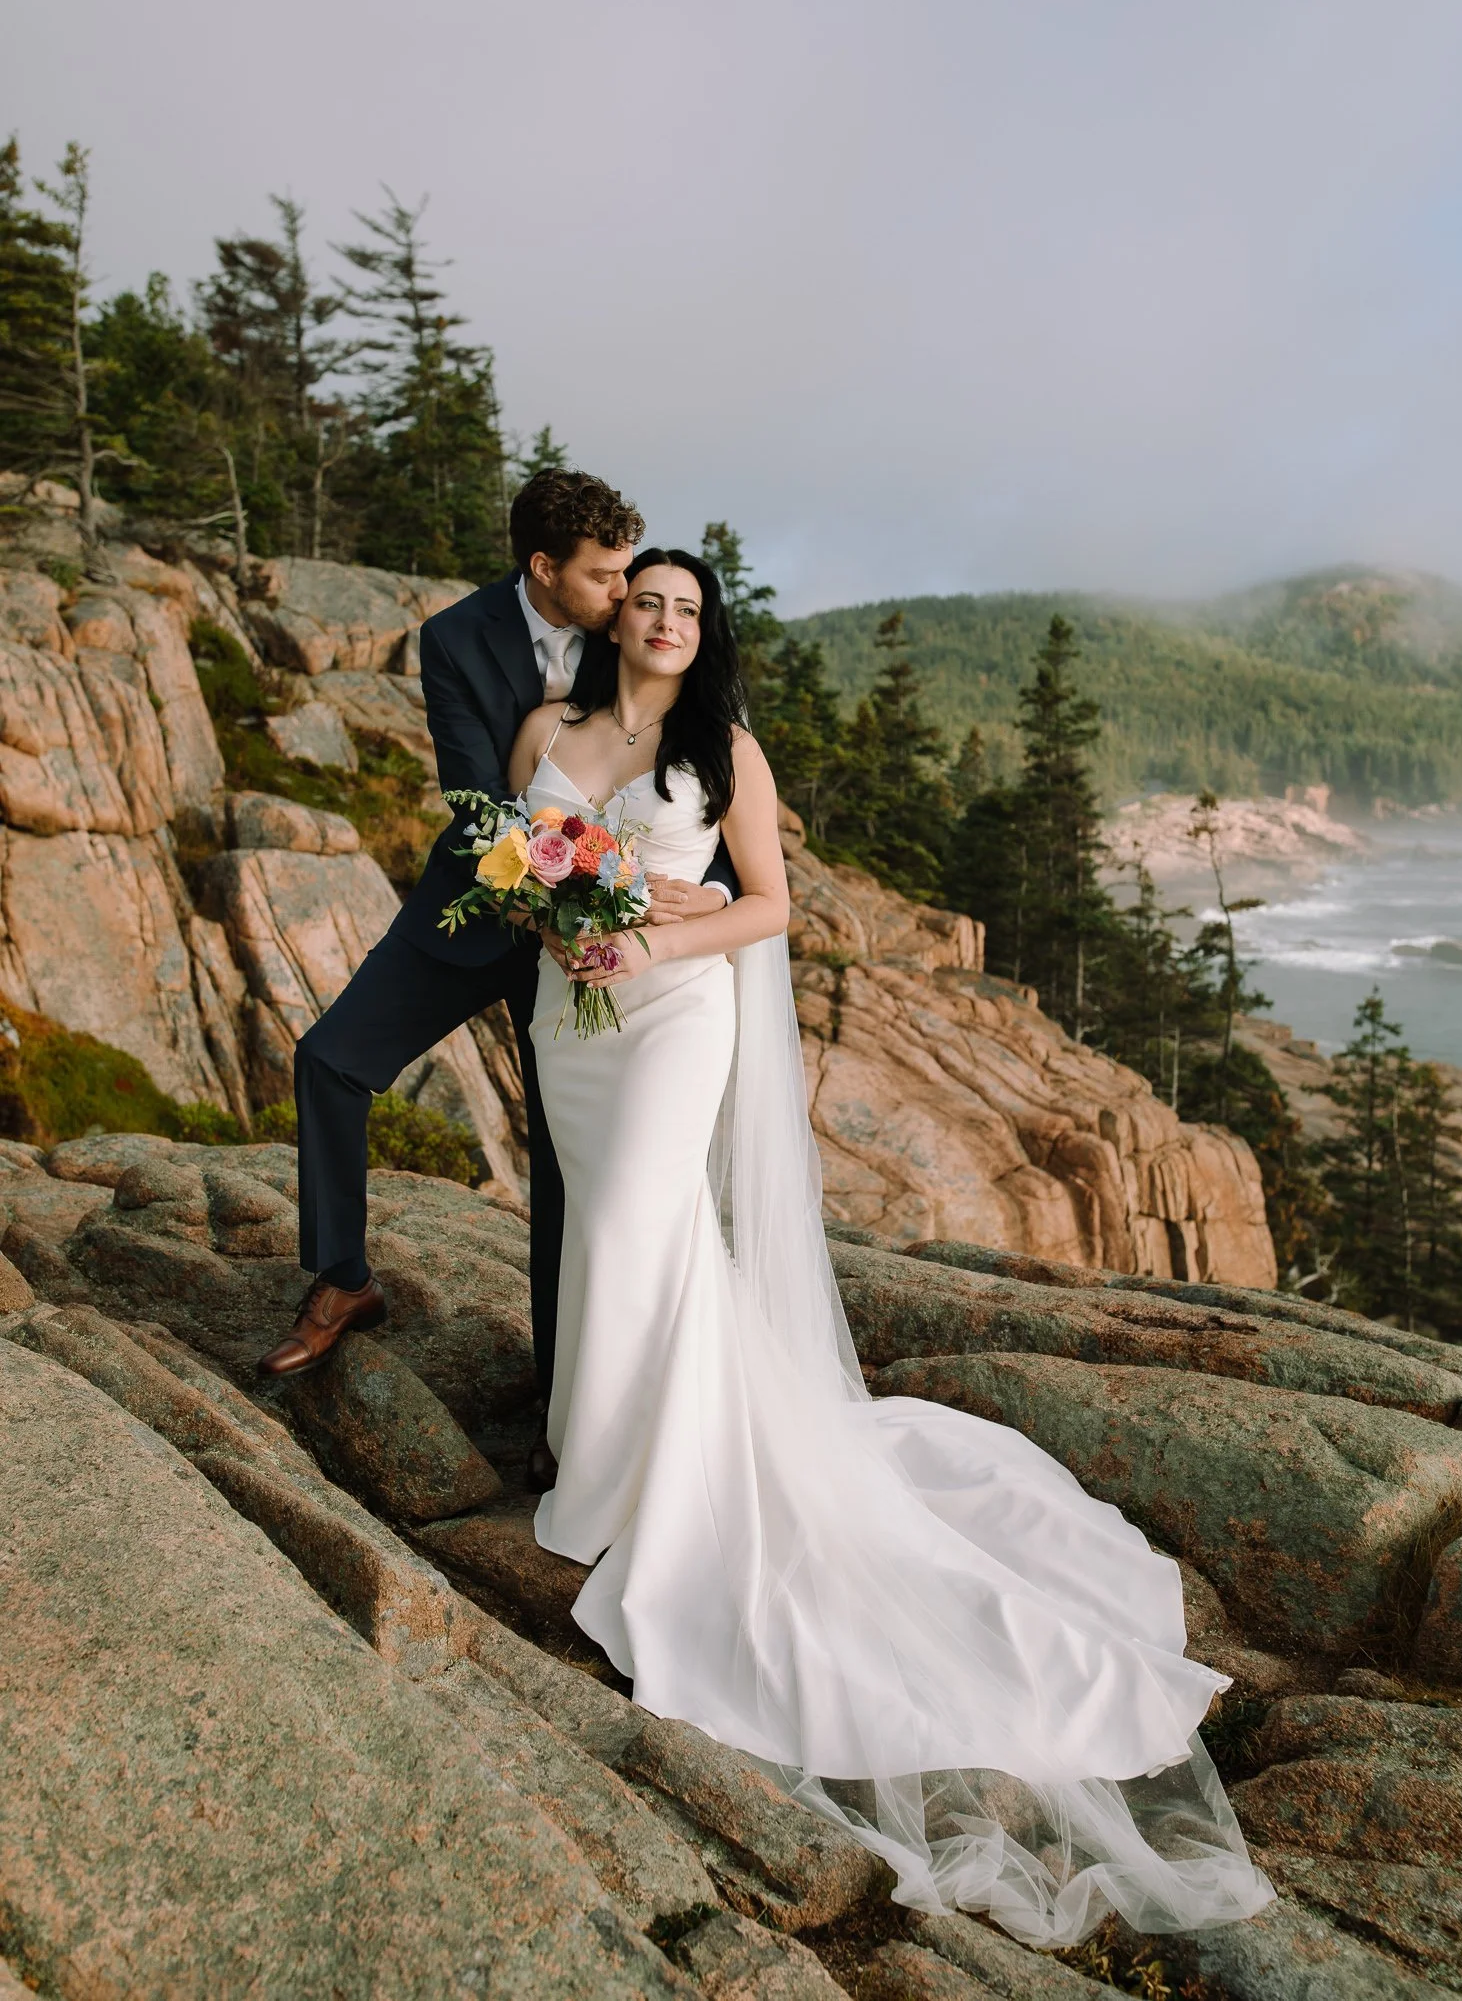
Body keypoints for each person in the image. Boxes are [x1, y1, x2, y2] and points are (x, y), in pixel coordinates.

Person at [507, 546, 1276, 1946]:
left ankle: (640, 1494)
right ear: (613, 612)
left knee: (636, 1227)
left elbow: (771, 908)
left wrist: (651, 945)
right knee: (622, 1240)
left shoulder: (721, 747)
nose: (667, 619)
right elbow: (520, 860)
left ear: (702, 627)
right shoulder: (549, 732)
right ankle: (607, 1462)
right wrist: (558, 920)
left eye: (689, 606)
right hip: (572, 1027)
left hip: (673, 1018)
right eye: (649, 600)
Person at [257, 471, 740, 1498]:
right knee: (330, 1061)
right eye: (607, 578)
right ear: (543, 571)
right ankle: (343, 1281)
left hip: (613, 943)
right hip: (486, 906)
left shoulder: (640, 622)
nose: (627, 596)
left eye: (631, 577)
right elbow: (477, 797)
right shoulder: (455, 639)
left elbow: (695, 773)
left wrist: (691, 898)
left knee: (578, 1171)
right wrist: (545, 896)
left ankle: (573, 1414)